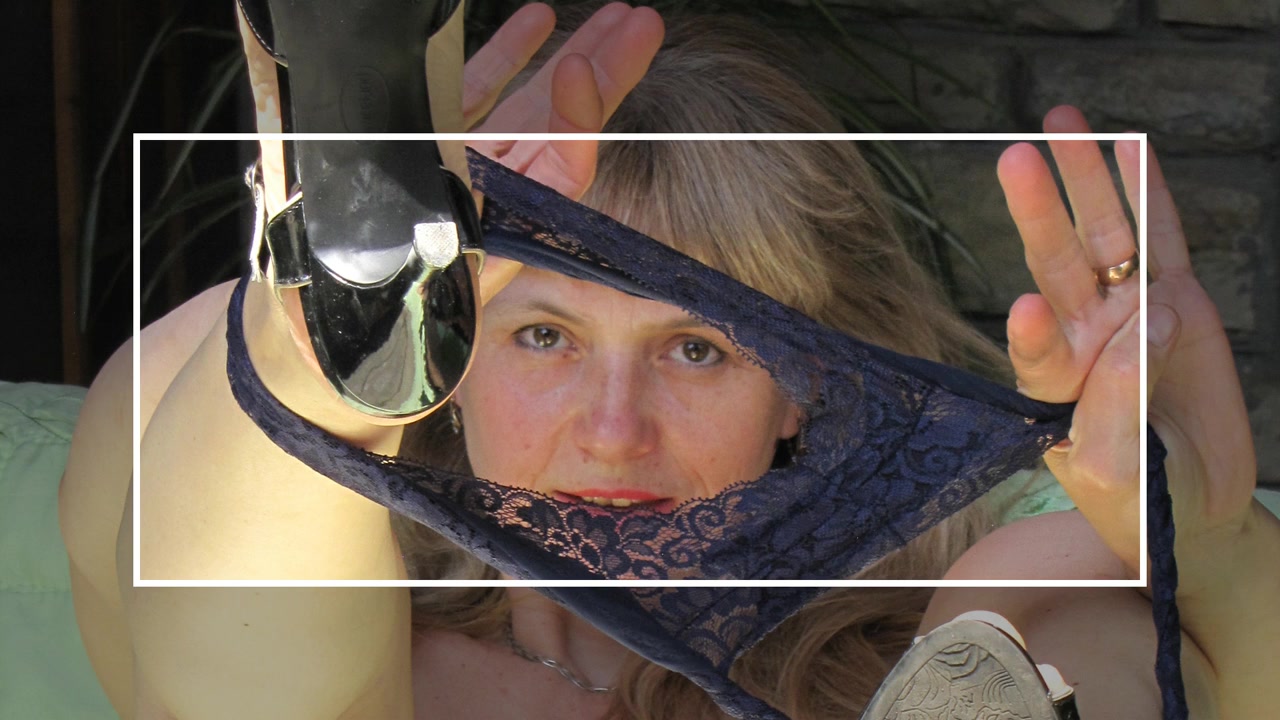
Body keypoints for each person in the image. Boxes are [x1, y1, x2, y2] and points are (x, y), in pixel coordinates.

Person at [57, 2, 1278, 719]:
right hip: (311, 649)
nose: (612, 430)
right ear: (457, 373)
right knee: (187, 442)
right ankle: (330, 326)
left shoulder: (928, 620)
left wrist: (1212, 547)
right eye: (542, 335)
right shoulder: (364, 616)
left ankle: (337, 317)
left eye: (697, 349)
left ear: (802, 393)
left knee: (1051, 581)